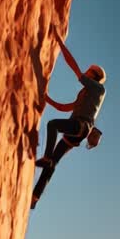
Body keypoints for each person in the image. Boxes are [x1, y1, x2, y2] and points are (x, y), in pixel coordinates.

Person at [33, 35, 104, 185]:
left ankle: (46, 158)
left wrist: (60, 43)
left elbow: (74, 67)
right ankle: (35, 196)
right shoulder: (85, 93)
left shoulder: (98, 88)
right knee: (53, 161)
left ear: (94, 76)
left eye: (89, 71)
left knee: (53, 125)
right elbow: (64, 107)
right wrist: (45, 98)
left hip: (81, 126)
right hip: (76, 131)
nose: (85, 72)